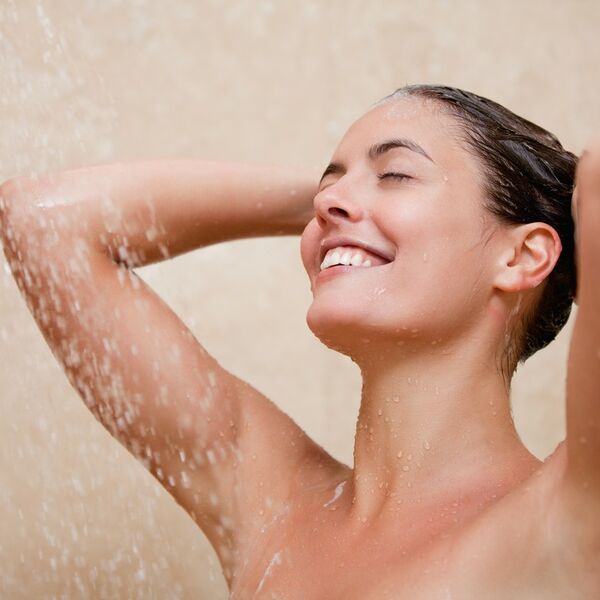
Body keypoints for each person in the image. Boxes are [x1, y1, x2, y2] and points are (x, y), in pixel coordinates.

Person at [0, 84, 598, 598]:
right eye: (327, 186)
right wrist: (334, 210)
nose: (328, 202)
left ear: (524, 255)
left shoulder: (571, 510)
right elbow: (42, 223)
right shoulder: (271, 505)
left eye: (396, 174)